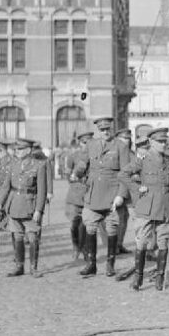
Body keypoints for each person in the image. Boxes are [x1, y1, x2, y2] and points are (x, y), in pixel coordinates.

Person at [119, 128, 169, 291]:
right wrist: (137, 188)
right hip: (146, 206)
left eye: (165, 141)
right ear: (151, 142)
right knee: (142, 241)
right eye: (160, 141)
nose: (163, 144)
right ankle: (138, 277)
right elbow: (123, 175)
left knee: (163, 241)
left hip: (165, 207)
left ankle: (159, 276)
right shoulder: (142, 159)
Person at [80, 116, 131, 277]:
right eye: (102, 130)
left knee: (111, 228)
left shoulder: (120, 146)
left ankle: (110, 264)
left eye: (108, 129)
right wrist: (79, 175)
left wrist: (121, 195)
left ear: (112, 129)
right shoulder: (91, 145)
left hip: (112, 194)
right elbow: (83, 165)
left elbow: (125, 173)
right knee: (90, 226)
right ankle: (91, 264)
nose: (105, 132)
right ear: (98, 131)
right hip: (93, 194)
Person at [0, 138, 47, 276]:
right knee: (17, 237)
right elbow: (6, 186)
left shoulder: (39, 165)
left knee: (32, 238)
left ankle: (33, 268)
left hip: (30, 206)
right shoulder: (13, 165)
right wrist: (0, 203)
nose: (17, 151)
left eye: (20, 149)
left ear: (29, 150)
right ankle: (19, 267)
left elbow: (42, 190)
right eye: (16, 149)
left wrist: (39, 210)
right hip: (14, 205)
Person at [65, 130, 92, 260]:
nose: (86, 145)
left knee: (87, 225)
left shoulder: (96, 155)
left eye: (89, 142)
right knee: (75, 224)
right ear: (80, 143)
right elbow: (68, 176)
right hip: (75, 195)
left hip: (90, 194)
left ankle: (86, 250)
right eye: (84, 143)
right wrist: (76, 177)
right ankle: (76, 246)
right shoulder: (73, 156)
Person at [114, 128, 133, 254]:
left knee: (125, 217)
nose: (126, 141)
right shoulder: (115, 152)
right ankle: (114, 245)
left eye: (128, 138)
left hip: (129, 190)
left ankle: (119, 244)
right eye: (123, 138)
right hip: (117, 189)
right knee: (117, 218)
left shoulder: (132, 152)